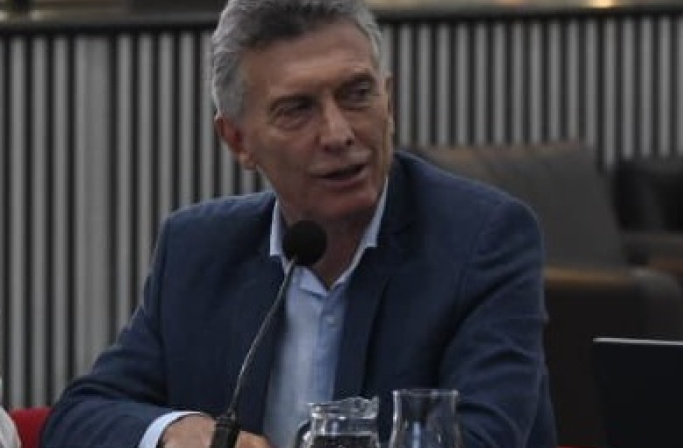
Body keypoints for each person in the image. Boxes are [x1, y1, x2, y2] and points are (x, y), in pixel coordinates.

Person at [41, 0, 556, 447]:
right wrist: (176, 432)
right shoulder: (198, 249)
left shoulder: (481, 240)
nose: (337, 133)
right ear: (237, 140)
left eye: (357, 94)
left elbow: (481, 438)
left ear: (389, 100)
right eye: (297, 109)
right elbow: (79, 417)